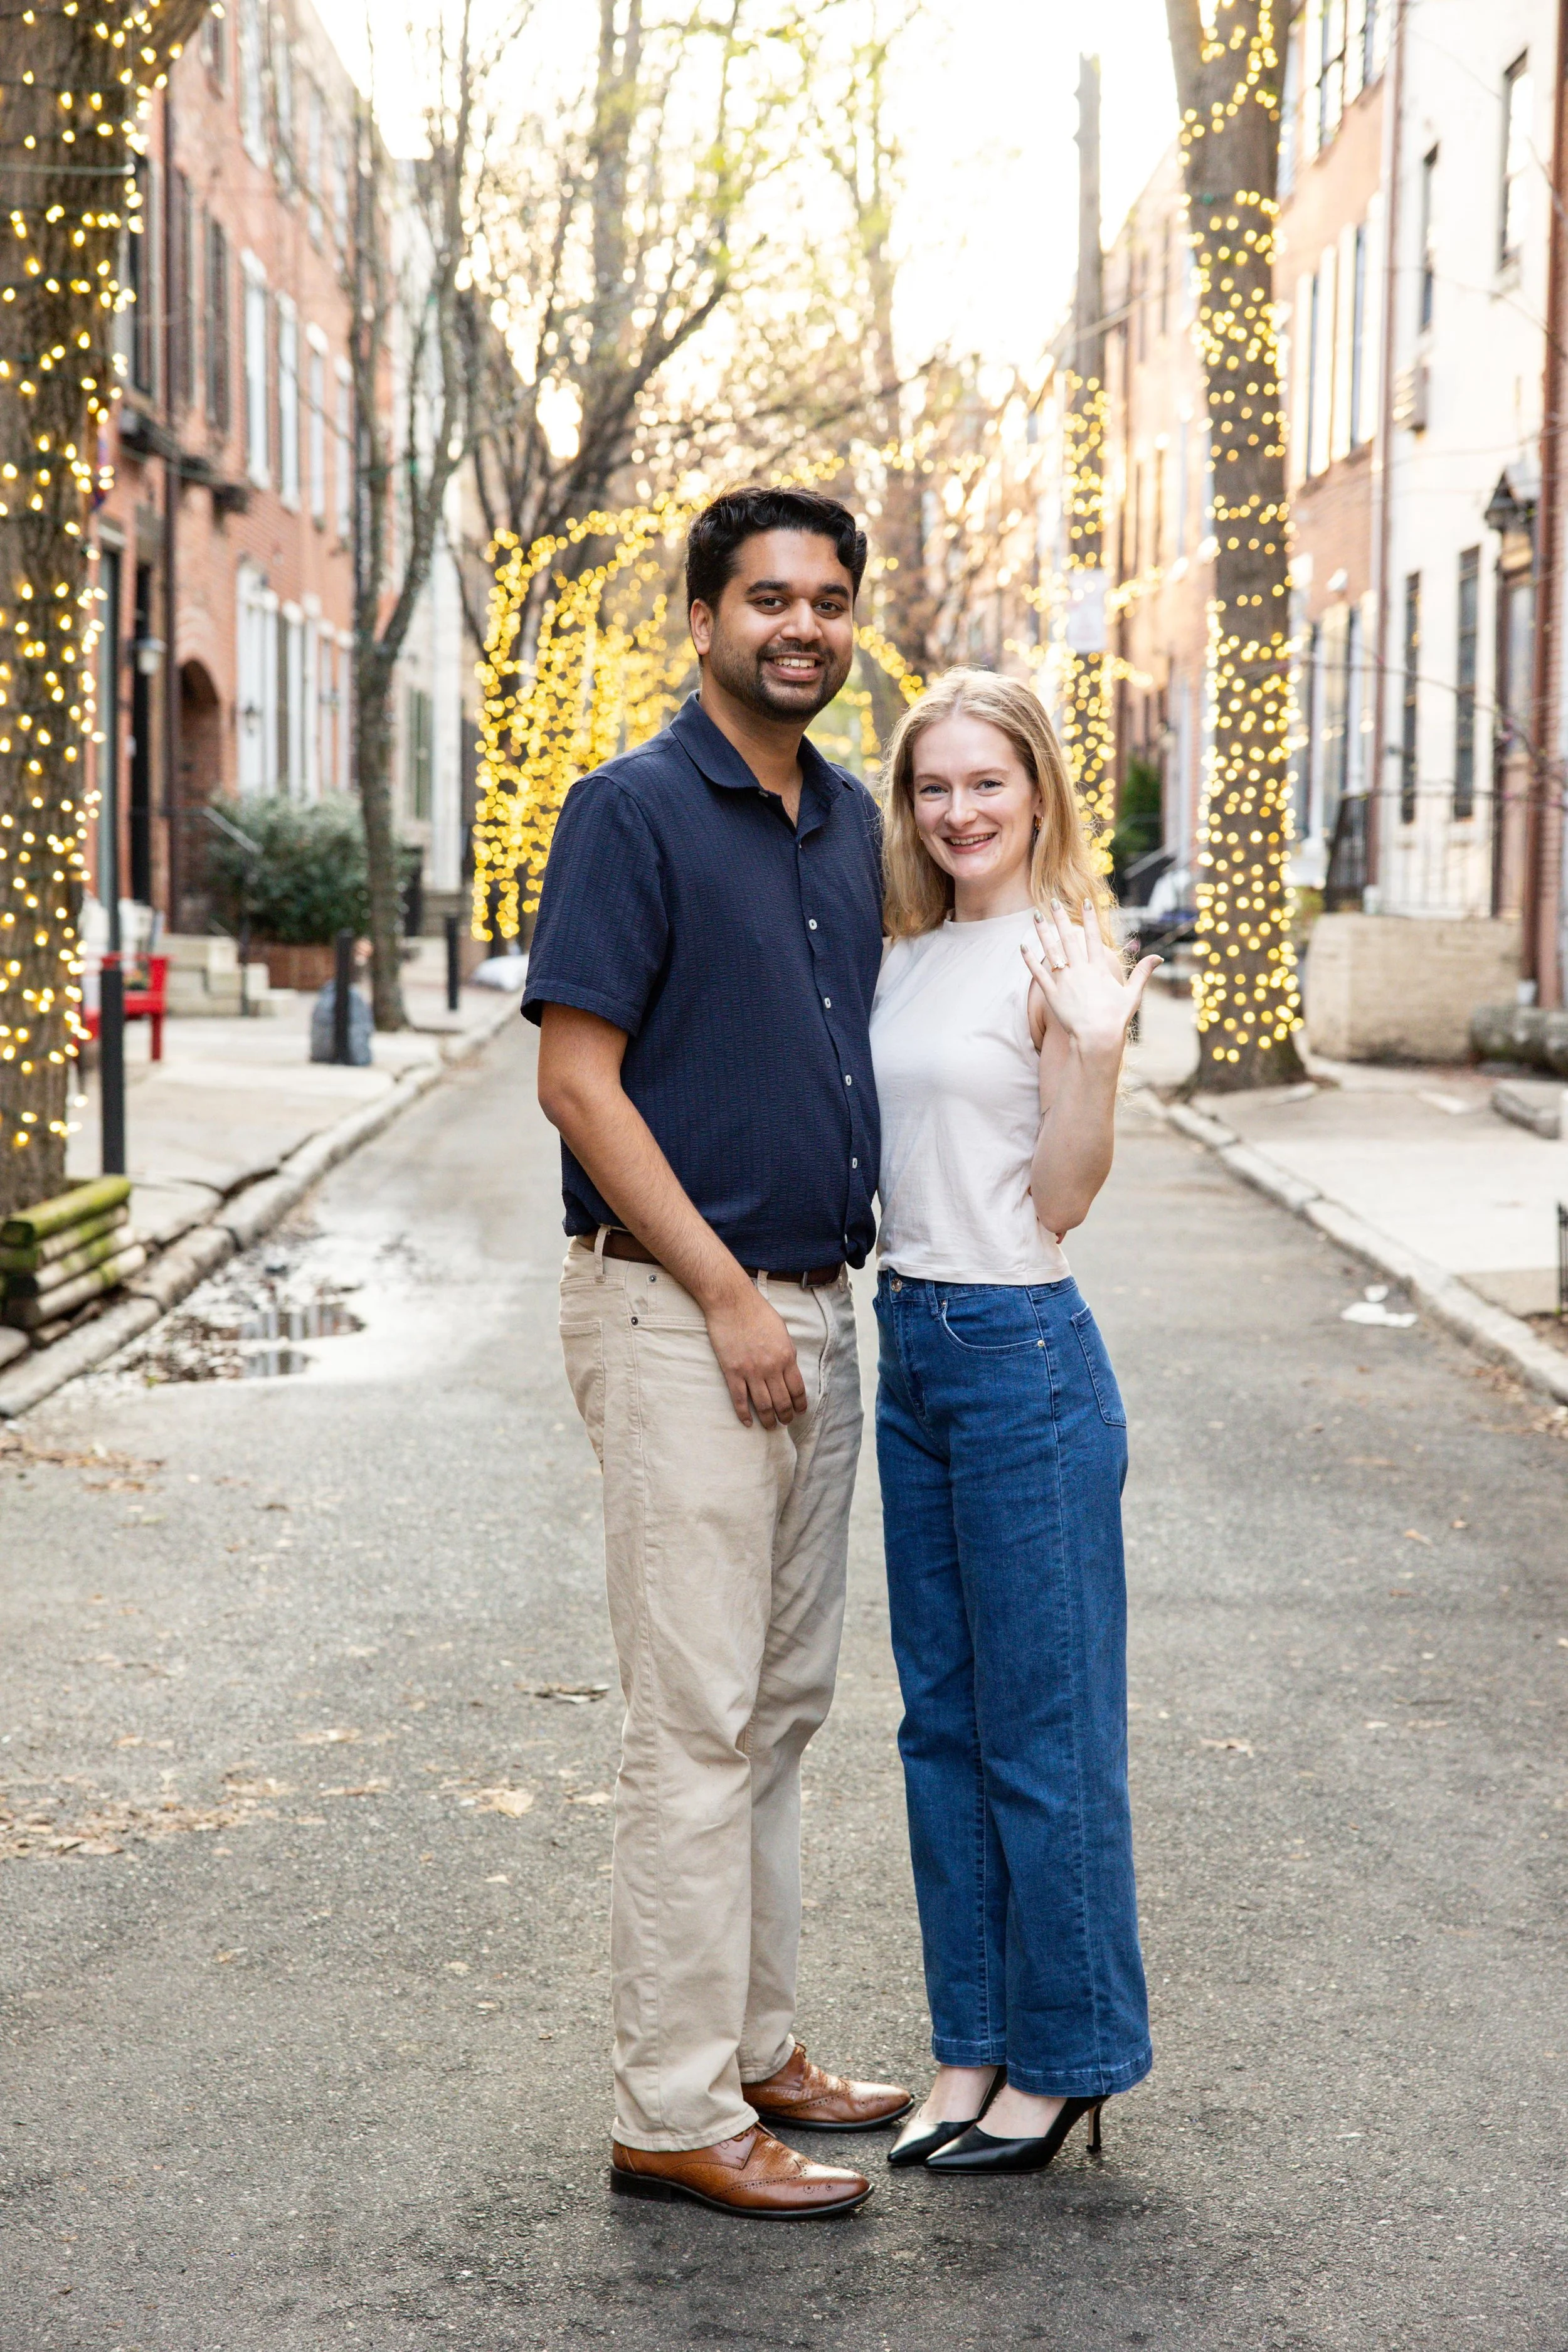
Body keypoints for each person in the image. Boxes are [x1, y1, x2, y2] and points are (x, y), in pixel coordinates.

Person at [525, 487, 911, 2220]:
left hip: (821, 1306)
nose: (802, 627)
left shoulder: (841, 821)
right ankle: (669, 2107)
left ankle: (754, 2047)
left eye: (828, 600)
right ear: (700, 620)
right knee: (691, 1723)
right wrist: (731, 1297)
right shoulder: (629, 809)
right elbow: (577, 1079)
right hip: (685, 1310)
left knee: (777, 1712)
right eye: (767, 598)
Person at [868, 668, 1157, 2177]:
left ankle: (1070, 2058)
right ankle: (970, 2045)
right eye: (933, 787)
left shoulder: (1062, 958)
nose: (959, 810)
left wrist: (1093, 1051)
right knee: (941, 1727)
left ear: (1037, 788)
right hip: (908, 1341)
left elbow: (1058, 1199)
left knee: (1042, 1732)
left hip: (1018, 1347)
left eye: (986, 783)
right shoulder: (904, 952)